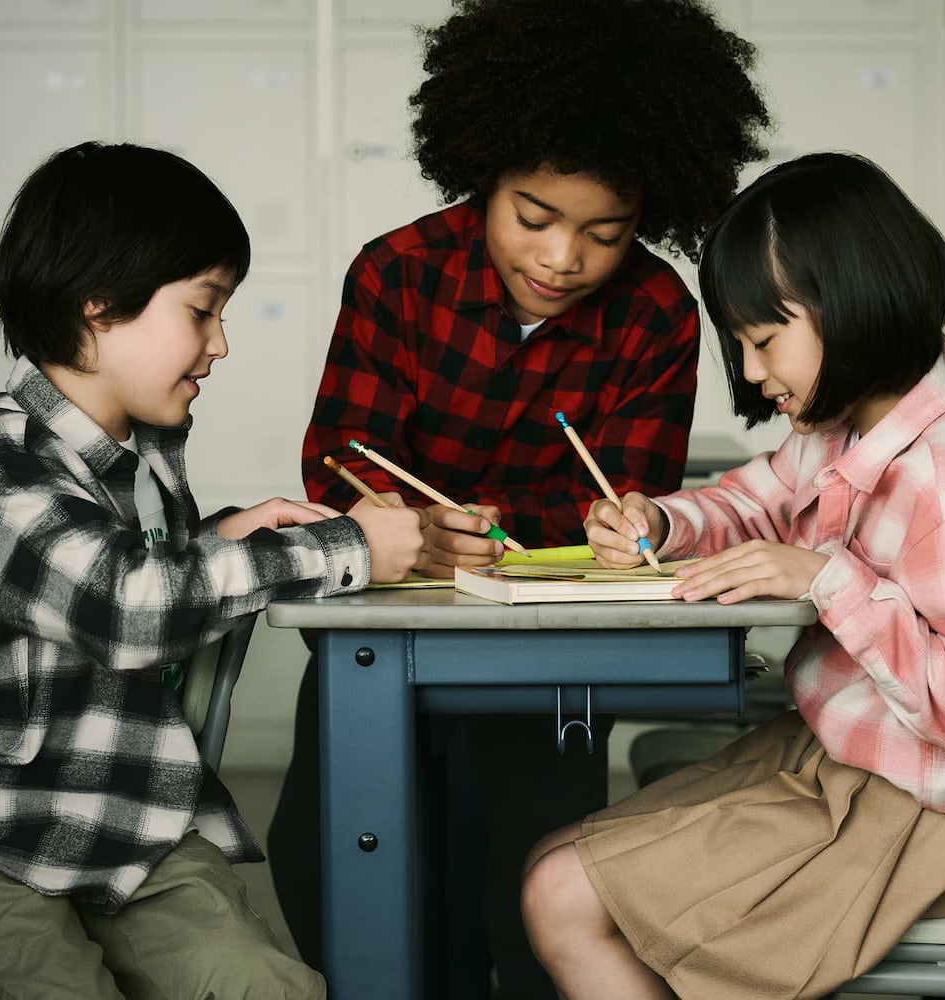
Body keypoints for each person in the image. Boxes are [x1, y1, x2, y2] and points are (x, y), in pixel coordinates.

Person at [270, 1, 772, 995]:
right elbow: (338, 463)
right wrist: (417, 531)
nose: (559, 258)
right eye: (531, 218)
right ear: (481, 176)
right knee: (332, 850)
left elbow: (626, 499)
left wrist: (480, 527)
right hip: (389, 619)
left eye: (603, 232)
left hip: (556, 649)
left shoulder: (658, 313)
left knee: (541, 871)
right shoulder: (396, 273)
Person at [520, 152, 945, 999]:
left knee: (563, 897)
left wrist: (831, 579)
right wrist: (662, 520)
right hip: (867, 765)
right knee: (554, 862)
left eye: (763, 340)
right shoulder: (853, 424)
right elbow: (756, 501)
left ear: (849, 302)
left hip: (938, 814)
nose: (751, 373)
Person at [0, 141, 424, 1000]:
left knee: (271, 989)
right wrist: (346, 547)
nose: (221, 345)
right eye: (203, 311)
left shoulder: (142, 457)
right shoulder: (5, 451)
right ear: (99, 305)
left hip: (132, 825)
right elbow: (120, 603)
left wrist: (217, 533)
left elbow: (121, 567)